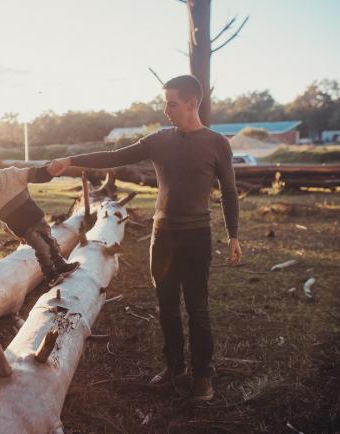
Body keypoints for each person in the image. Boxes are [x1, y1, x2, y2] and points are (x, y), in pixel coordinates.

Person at [47, 75, 241, 401]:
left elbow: (230, 192)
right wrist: (71, 161)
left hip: (196, 236)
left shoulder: (217, 143)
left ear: (193, 104)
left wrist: (233, 235)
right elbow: (113, 156)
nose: (166, 110)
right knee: (167, 305)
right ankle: (174, 367)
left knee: (197, 308)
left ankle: (202, 377)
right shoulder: (158, 141)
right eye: (165, 102)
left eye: (172, 103)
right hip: (162, 235)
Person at [0, 152, 79, 286]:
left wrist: (49, 171)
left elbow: (33, 174)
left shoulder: (12, 174)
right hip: (24, 229)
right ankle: (50, 275)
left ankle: (60, 265)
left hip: (37, 218)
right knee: (41, 248)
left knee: (51, 243)